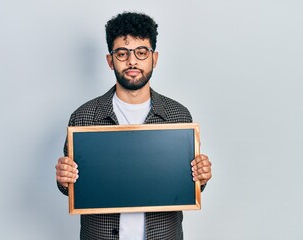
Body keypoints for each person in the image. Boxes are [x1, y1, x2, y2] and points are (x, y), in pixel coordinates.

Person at [55, 12, 212, 240]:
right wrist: (63, 178)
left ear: (154, 58)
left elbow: (186, 185)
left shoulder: (178, 116)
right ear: (110, 61)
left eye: (141, 52)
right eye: (122, 53)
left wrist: (201, 176)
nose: (132, 61)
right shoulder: (84, 117)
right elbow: (70, 187)